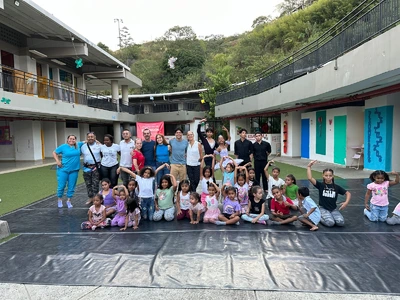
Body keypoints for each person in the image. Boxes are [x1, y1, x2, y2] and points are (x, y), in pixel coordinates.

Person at [307, 160, 351, 227]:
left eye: (330, 175)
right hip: (323, 208)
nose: (328, 177)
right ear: (323, 176)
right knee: (330, 223)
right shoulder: (321, 185)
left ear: (332, 176)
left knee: (340, 222)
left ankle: (329, 216)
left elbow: (348, 193)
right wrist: (309, 166)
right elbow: (310, 178)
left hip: (333, 209)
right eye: (326, 175)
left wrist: (346, 202)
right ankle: (318, 215)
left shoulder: (336, 187)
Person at [53, 135, 84, 208]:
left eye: (73, 139)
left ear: (75, 140)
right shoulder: (63, 146)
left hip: (74, 170)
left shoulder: (78, 145)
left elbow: (86, 141)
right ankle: (59, 199)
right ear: (67, 139)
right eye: (70, 139)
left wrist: (97, 142)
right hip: (63, 169)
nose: (72, 140)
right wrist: (57, 161)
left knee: (71, 186)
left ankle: (69, 200)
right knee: (61, 186)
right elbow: (54, 152)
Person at [81, 132, 101, 205]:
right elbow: (75, 145)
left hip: (96, 167)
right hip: (86, 168)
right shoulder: (83, 146)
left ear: (95, 137)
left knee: (95, 184)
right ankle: (90, 197)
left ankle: (96, 198)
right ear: (87, 138)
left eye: (92, 136)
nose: (90, 138)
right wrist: (82, 141)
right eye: (89, 137)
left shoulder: (99, 145)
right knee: (88, 184)